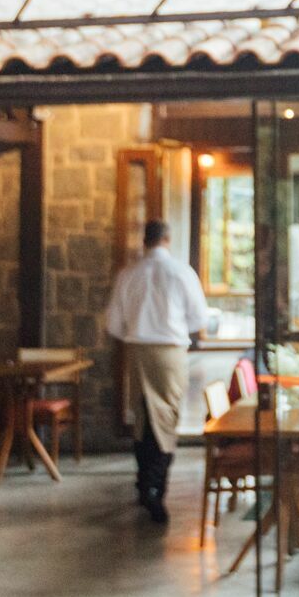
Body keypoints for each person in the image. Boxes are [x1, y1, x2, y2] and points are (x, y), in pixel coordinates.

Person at [105, 219, 207, 524]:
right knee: (166, 417)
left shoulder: (129, 274)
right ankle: (155, 489)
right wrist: (172, 326)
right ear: (167, 239)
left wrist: (137, 330)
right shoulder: (181, 272)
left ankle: (143, 483)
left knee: (142, 417)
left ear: (144, 241)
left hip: (136, 350)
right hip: (169, 351)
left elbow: (113, 323)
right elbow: (199, 317)